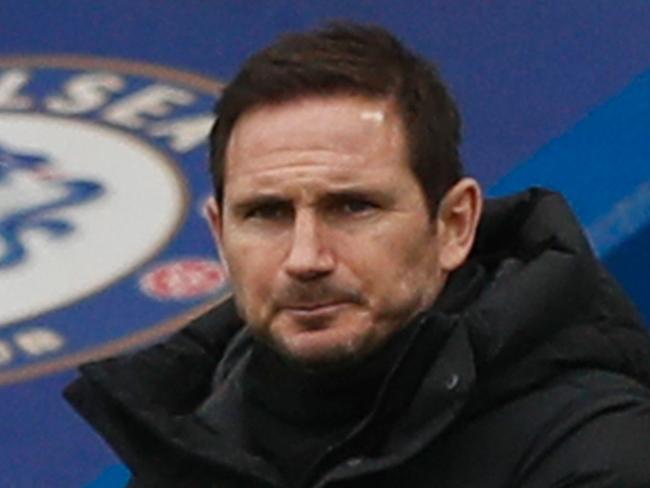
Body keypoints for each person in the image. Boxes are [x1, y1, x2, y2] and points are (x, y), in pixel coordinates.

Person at [65, 22, 650, 487]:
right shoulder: (188, 451)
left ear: (453, 225)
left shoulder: (593, 454)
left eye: (353, 208)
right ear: (220, 236)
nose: (306, 257)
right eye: (266, 214)